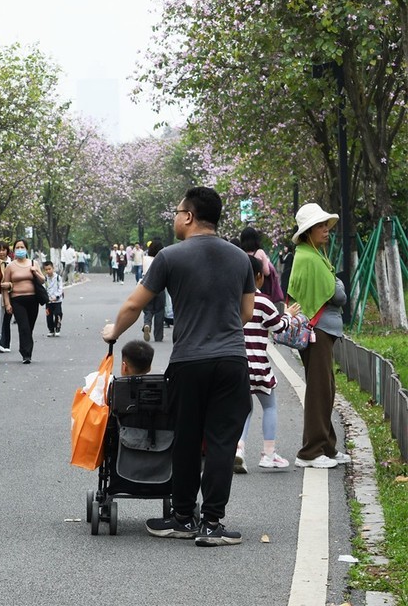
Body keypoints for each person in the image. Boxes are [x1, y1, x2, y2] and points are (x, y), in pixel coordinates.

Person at [101, 186, 255, 547]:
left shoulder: (170, 257)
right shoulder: (240, 259)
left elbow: (133, 305)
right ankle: (213, 523)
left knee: (185, 438)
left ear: (188, 216)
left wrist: (113, 332)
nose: (174, 217)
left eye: (176, 211)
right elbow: (246, 313)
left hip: (189, 361)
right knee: (221, 442)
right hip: (232, 360)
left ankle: (183, 517)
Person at [287, 203, 350, 469]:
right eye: (321, 226)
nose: (326, 230)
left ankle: (327, 446)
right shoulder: (309, 257)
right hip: (319, 330)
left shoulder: (314, 254)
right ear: (309, 231)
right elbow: (338, 295)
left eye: (326, 225)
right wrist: (338, 283)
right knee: (319, 390)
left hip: (323, 330)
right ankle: (310, 452)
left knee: (326, 388)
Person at [236, 256, 300, 472]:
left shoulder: (233, 299)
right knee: (270, 406)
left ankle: (238, 449)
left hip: (237, 366)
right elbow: (279, 327)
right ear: (259, 277)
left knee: (243, 409)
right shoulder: (263, 301)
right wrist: (289, 316)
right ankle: (268, 453)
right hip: (259, 365)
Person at [5, 238, 44, 364]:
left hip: (33, 299)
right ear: (14, 250)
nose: (20, 250)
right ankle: (26, 354)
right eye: (17, 247)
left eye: (22, 247)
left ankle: (26, 349)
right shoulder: (10, 266)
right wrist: (7, 303)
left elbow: (43, 280)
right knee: (24, 327)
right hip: (17, 300)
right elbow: (4, 285)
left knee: (29, 327)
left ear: (26, 249)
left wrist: (35, 273)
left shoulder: (33, 263)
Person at [239, 226, 285, 306]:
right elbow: (267, 272)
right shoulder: (260, 252)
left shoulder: (240, 253)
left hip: (245, 289)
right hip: (261, 289)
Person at [140, 239, 166, 343]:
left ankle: (147, 324)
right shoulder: (163, 259)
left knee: (148, 310)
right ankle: (158, 336)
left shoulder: (145, 259)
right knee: (160, 311)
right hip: (160, 288)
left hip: (147, 287)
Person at [41, 260, 64, 336]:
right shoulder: (45, 279)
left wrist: (56, 296)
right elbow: (44, 289)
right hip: (48, 301)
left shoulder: (58, 278)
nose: (48, 271)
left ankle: (57, 328)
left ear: (53, 268)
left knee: (58, 314)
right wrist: (46, 298)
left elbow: (60, 288)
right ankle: (51, 330)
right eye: (46, 269)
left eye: (49, 269)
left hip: (57, 301)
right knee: (49, 316)